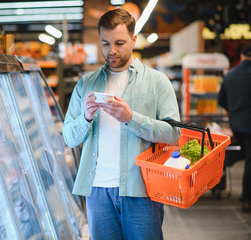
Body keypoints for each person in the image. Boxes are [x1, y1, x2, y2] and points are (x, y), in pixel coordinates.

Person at [62, 8, 180, 239]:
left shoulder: (157, 82)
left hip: (141, 190)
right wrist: (85, 117)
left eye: (119, 42)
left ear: (134, 40)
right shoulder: (86, 84)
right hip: (97, 191)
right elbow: (69, 137)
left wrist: (131, 118)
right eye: (105, 43)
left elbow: (173, 133)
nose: (112, 50)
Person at [218, 44, 251, 213]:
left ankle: (245, 195)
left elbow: (221, 100)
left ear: (241, 56)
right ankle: (247, 199)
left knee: (244, 158)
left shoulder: (230, 75)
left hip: (236, 125)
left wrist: (234, 111)